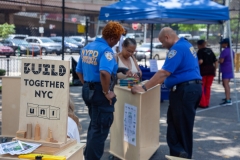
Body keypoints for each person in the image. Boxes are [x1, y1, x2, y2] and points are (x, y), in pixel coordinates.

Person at [131, 27, 202, 159]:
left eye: (162, 42)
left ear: (168, 37)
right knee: (175, 124)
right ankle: (177, 153)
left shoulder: (176, 49)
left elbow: (164, 72)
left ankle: (183, 156)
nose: (162, 45)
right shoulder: (186, 44)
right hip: (190, 90)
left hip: (184, 91)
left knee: (182, 128)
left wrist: (144, 87)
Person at [76, 21, 125, 160]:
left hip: (88, 90)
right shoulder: (106, 50)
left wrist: (87, 84)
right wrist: (106, 92)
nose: (116, 43)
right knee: (100, 130)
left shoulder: (87, 47)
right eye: (117, 40)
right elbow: (104, 73)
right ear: (112, 38)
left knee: (94, 126)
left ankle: (88, 156)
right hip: (100, 92)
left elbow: (79, 71)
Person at [197, 40, 218, 108]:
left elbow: (200, 61)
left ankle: (203, 103)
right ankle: (207, 102)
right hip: (211, 70)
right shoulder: (210, 51)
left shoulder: (200, 51)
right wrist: (214, 70)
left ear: (199, 45)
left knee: (202, 87)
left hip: (203, 71)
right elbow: (216, 62)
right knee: (208, 87)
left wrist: (195, 65)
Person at [219, 38, 235, 105]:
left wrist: (218, 60)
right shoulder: (232, 50)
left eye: (223, 43)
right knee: (225, 84)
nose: (221, 44)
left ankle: (228, 100)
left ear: (226, 44)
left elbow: (221, 61)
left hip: (226, 68)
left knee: (226, 84)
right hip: (230, 68)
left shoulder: (225, 51)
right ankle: (227, 97)